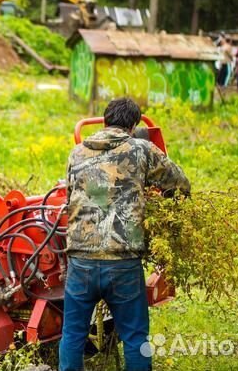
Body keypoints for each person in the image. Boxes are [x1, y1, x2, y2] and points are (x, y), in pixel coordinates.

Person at [59, 98, 190, 371]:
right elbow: (180, 183)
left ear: (105, 121)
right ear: (133, 126)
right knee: (134, 336)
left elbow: (69, 197)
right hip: (122, 262)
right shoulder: (141, 149)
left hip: (81, 261)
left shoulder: (77, 152)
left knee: (72, 334)